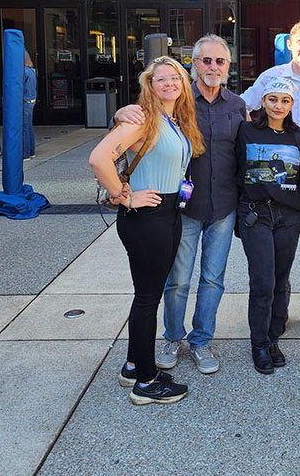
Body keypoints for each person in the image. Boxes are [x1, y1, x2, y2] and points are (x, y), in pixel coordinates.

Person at [114, 35, 247, 375]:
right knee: (178, 280)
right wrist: (120, 112)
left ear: (228, 67)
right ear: (194, 63)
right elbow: (139, 124)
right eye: (206, 60)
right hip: (185, 207)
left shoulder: (237, 105)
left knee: (213, 279)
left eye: (220, 61)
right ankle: (173, 336)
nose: (212, 67)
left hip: (224, 205)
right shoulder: (180, 100)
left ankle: (201, 341)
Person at [88, 56, 204, 405]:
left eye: (175, 78)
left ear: (183, 83)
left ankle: (134, 365)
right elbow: (99, 157)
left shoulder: (175, 120)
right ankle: (146, 383)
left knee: (147, 294)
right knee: (147, 298)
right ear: (149, 86)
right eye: (160, 79)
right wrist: (124, 196)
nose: (169, 83)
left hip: (168, 213)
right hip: (147, 216)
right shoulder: (144, 119)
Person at [241, 18, 300, 340]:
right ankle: (280, 310)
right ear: (289, 44)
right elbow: (242, 107)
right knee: (281, 254)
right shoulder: (270, 78)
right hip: (280, 183)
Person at [236, 77, 300, 374]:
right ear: (263, 101)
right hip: (256, 214)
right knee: (262, 280)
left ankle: (273, 336)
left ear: (292, 104)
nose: (278, 106)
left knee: (281, 280)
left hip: (289, 215)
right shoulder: (245, 131)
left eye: (285, 100)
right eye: (273, 99)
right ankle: (259, 343)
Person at [22, 51, 37, 160]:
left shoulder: (23, 72)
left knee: (24, 128)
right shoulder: (32, 71)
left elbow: (20, 88)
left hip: (25, 101)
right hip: (32, 100)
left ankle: (26, 153)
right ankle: (31, 151)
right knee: (29, 127)